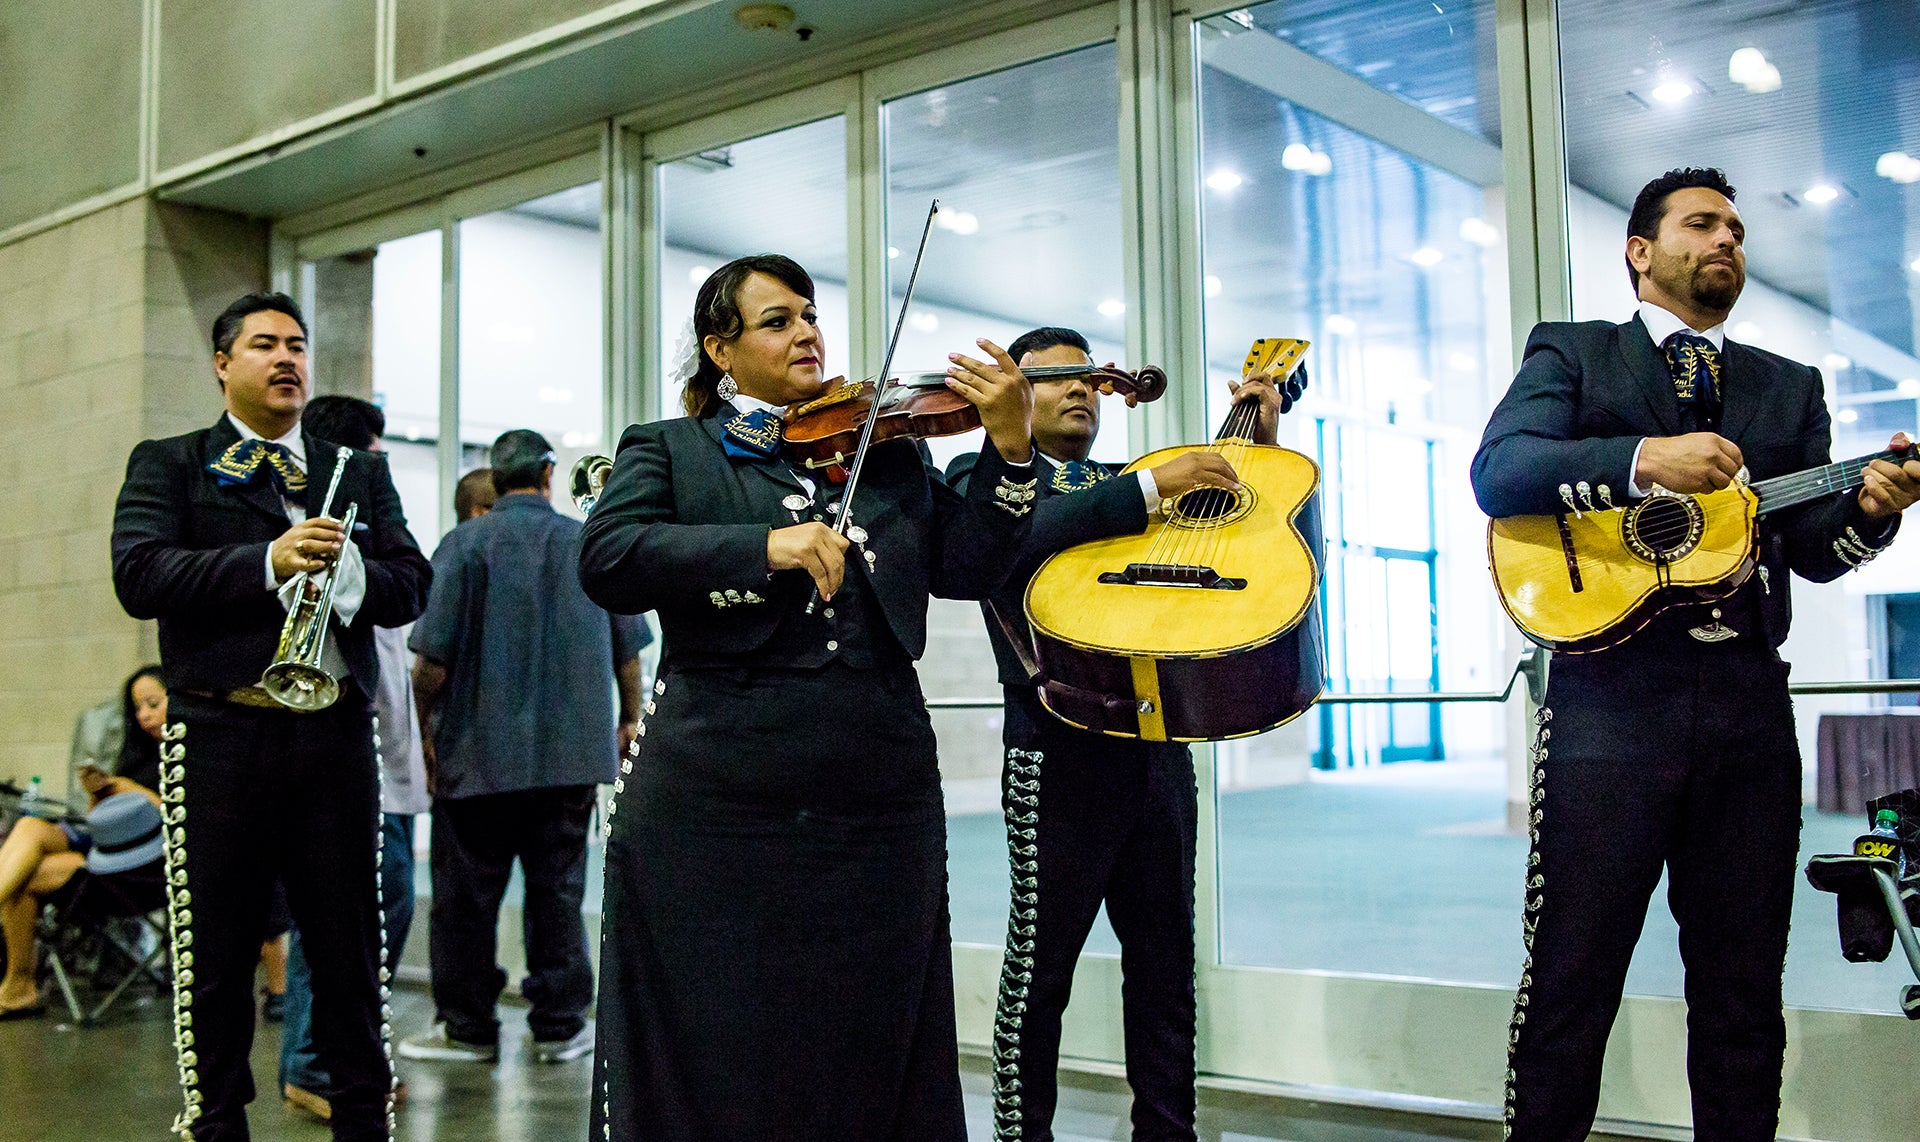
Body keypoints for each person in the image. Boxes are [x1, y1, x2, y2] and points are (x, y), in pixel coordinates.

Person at [1472, 167, 1920, 1141]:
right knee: (1571, 974)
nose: (1728, 239)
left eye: (1738, 227)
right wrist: (1641, 461)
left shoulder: (1787, 386)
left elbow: (1810, 549)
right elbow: (1500, 471)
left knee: (1742, 989)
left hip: (1751, 712)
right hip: (1609, 703)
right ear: (1641, 249)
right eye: (1703, 222)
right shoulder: (1576, 352)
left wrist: (1872, 516)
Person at [578, 253, 1036, 1140]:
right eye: (778, 320)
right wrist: (764, 547)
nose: (808, 333)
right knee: (722, 1030)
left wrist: (1009, 453)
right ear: (721, 349)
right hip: (718, 797)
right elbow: (609, 558)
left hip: (878, 794)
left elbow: (971, 565)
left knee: (875, 1022)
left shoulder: (886, 450)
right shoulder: (668, 449)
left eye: (811, 315)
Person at [946, 326, 1286, 1142]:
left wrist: (1260, 457)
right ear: (1011, 389)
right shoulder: (985, 475)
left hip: (1157, 748)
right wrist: (1145, 492)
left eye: (1091, 381)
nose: (1081, 392)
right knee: (1039, 973)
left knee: (1167, 972)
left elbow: (1245, 552)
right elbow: (1006, 547)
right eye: (1058, 379)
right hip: (1050, 750)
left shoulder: (1134, 479)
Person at [111, 290, 432, 1142]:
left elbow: (412, 584)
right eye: (264, 345)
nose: (287, 359)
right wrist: (266, 561)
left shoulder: (356, 470)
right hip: (217, 734)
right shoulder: (171, 462)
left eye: (296, 345)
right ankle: (217, 1124)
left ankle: (365, 1122)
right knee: (214, 955)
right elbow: (139, 575)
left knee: (350, 950)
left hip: (333, 732)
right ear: (223, 364)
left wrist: (351, 574)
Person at [397, 429, 650, 1066]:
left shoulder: (462, 544)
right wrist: (629, 718)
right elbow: (628, 652)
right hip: (569, 759)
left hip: (476, 757)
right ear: (546, 474)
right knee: (558, 892)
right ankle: (561, 1026)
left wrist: (423, 731)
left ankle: (468, 1029)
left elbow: (432, 664)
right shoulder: (586, 541)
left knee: (466, 901)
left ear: (495, 476)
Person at [277, 395, 432, 1121]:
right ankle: (315, 1062)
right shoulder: (322, 526)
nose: (384, 471)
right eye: (376, 454)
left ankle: (344, 1057)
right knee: (341, 918)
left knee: (379, 913)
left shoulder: (380, 539)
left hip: (392, 771)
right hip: (351, 758)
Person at [0, 666, 173, 1017]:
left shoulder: (196, 757)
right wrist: (99, 792)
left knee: (30, 876)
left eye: (152, 703)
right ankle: (16, 985)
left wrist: (129, 788)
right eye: (137, 708)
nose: (144, 715)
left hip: (146, 867)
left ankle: (18, 986)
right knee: (31, 826)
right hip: (104, 849)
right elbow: (102, 820)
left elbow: (179, 822)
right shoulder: (136, 756)